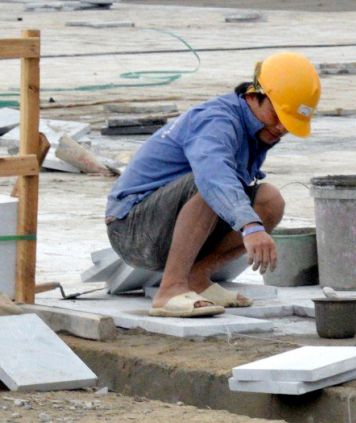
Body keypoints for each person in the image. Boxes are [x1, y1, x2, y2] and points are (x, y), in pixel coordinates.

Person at [104, 53, 319, 318]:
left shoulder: (256, 129)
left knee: (269, 200)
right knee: (210, 183)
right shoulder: (217, 120)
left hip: (164, 228)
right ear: (255, 95)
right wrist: (250, 227)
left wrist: (253, 219)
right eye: (277, 115)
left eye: (289, 123)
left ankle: (197, 278)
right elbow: (213, 176)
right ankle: (170, 291)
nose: (281, 128)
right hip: (132, 231)